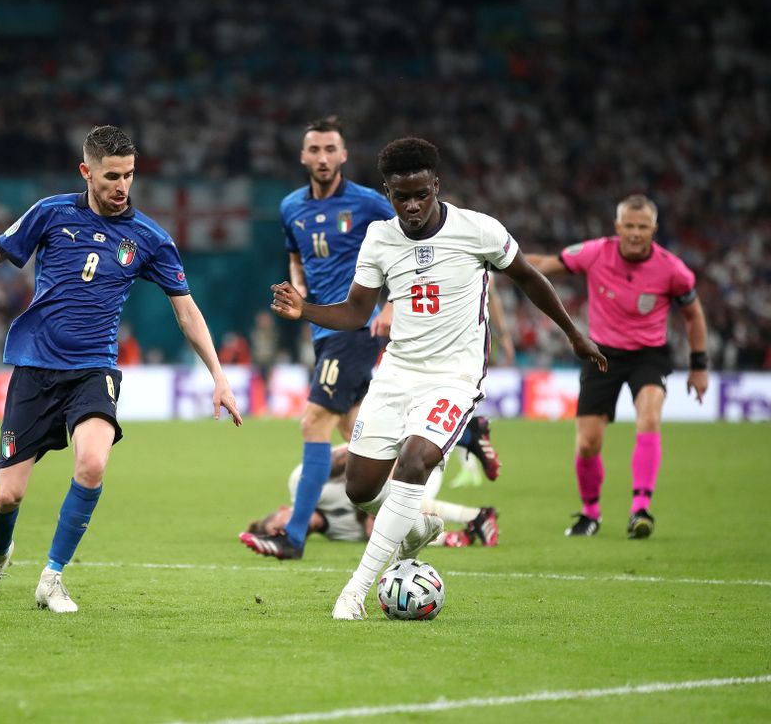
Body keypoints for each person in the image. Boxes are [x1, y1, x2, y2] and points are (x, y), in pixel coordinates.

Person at [0, 125, 243, 613]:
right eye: (111, 176)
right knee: (8, 496)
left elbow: (186, 309)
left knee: (92, 463)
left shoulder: (150, 237)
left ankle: (52, 577)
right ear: (86, 171)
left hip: (94, 369)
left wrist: (218, 375)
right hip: (35, 368)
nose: (122, 186)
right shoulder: (50, 213)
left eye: (130, 176)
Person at [270, 137, 606, 620]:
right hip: (397, 372)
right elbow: (357, 311)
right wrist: (306, 311)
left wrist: (574, 334)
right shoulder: (380, 238)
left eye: (421, 194)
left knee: (415, 461)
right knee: (360, 489)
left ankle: (353, 592)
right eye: (401, 196)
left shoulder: (478, 230)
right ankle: (416, 528)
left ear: (436, 186)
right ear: (387, 192)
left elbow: (530, 276)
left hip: (454, 376)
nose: (411, 205)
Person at [239, 116, 396, 561]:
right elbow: (295, 255)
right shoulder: (291, 207)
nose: (323, 158)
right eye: (315, 150)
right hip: (322, 330)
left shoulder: (368, 203)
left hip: (354, 328)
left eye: (331, 149)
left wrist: (391, 303)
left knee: (313, 423)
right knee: (360, 434)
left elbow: (406, 247)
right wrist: (300, 289)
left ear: (344, 155)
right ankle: (416, 520)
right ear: (303, 156)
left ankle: (293, 537)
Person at [527, 194, 709, 539]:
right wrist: (499, 261)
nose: (636, 233)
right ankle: (590, 513)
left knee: (650, 416)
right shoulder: (596, 252)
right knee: (587, 443)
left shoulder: (673, 270)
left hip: (648, 355)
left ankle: (640, 508)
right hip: (602, 354)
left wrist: (699, 366)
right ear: (618, 227)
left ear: (654, 229)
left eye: (643, 226)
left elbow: (693, 314)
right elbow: (545, 264)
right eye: (629, 225)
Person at [247, 437, 500, 549]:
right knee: (394, 518)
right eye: (280, 537)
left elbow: (358, 456)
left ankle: (470, 436)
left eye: (276, 529)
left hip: (404, 451)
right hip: (414, 478)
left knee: (394, 499)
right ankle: (463, 530)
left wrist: (372, 512)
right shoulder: (339, 535)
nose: (284, 532)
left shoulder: (301, 483)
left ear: (283, 509)